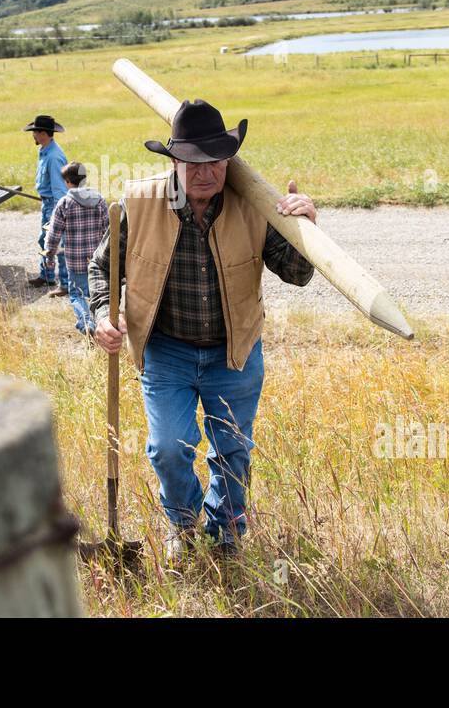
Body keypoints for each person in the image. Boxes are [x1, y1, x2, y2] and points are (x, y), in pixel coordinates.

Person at [88, 99, 317, 561]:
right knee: (168, 450)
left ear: (229, 160)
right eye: (192, 161)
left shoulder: (254, 205)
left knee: (232, 450)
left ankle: (227, 533)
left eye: (215, 160)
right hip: (166, 351)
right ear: (174, 161)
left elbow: (298, 273)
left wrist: (304, 227)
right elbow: (101, 268)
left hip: (232, 352)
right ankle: (184, 524)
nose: (204, 171)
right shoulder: (141, 201)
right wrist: (101, 315)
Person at [42, 162, 109, 337]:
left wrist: (49, 255)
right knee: (96, 293)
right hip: (96, 259)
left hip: (75, 260)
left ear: (67, 182)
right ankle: (98, 322)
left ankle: (86, 323)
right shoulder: (100, 200)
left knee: (76, 295)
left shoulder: (65, 203)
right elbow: (107, 229)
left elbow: (54, 233)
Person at [24, 113, 70, 297]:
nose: (33, 135)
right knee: (44, 241)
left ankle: (65, 283)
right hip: (47, 203)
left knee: (56, 244)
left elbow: (60, 189)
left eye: (35, 132)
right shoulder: (44, 151)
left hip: (54, 205)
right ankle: (47, 275)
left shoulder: (53, 157)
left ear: (43, 133)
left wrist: (58, 213)